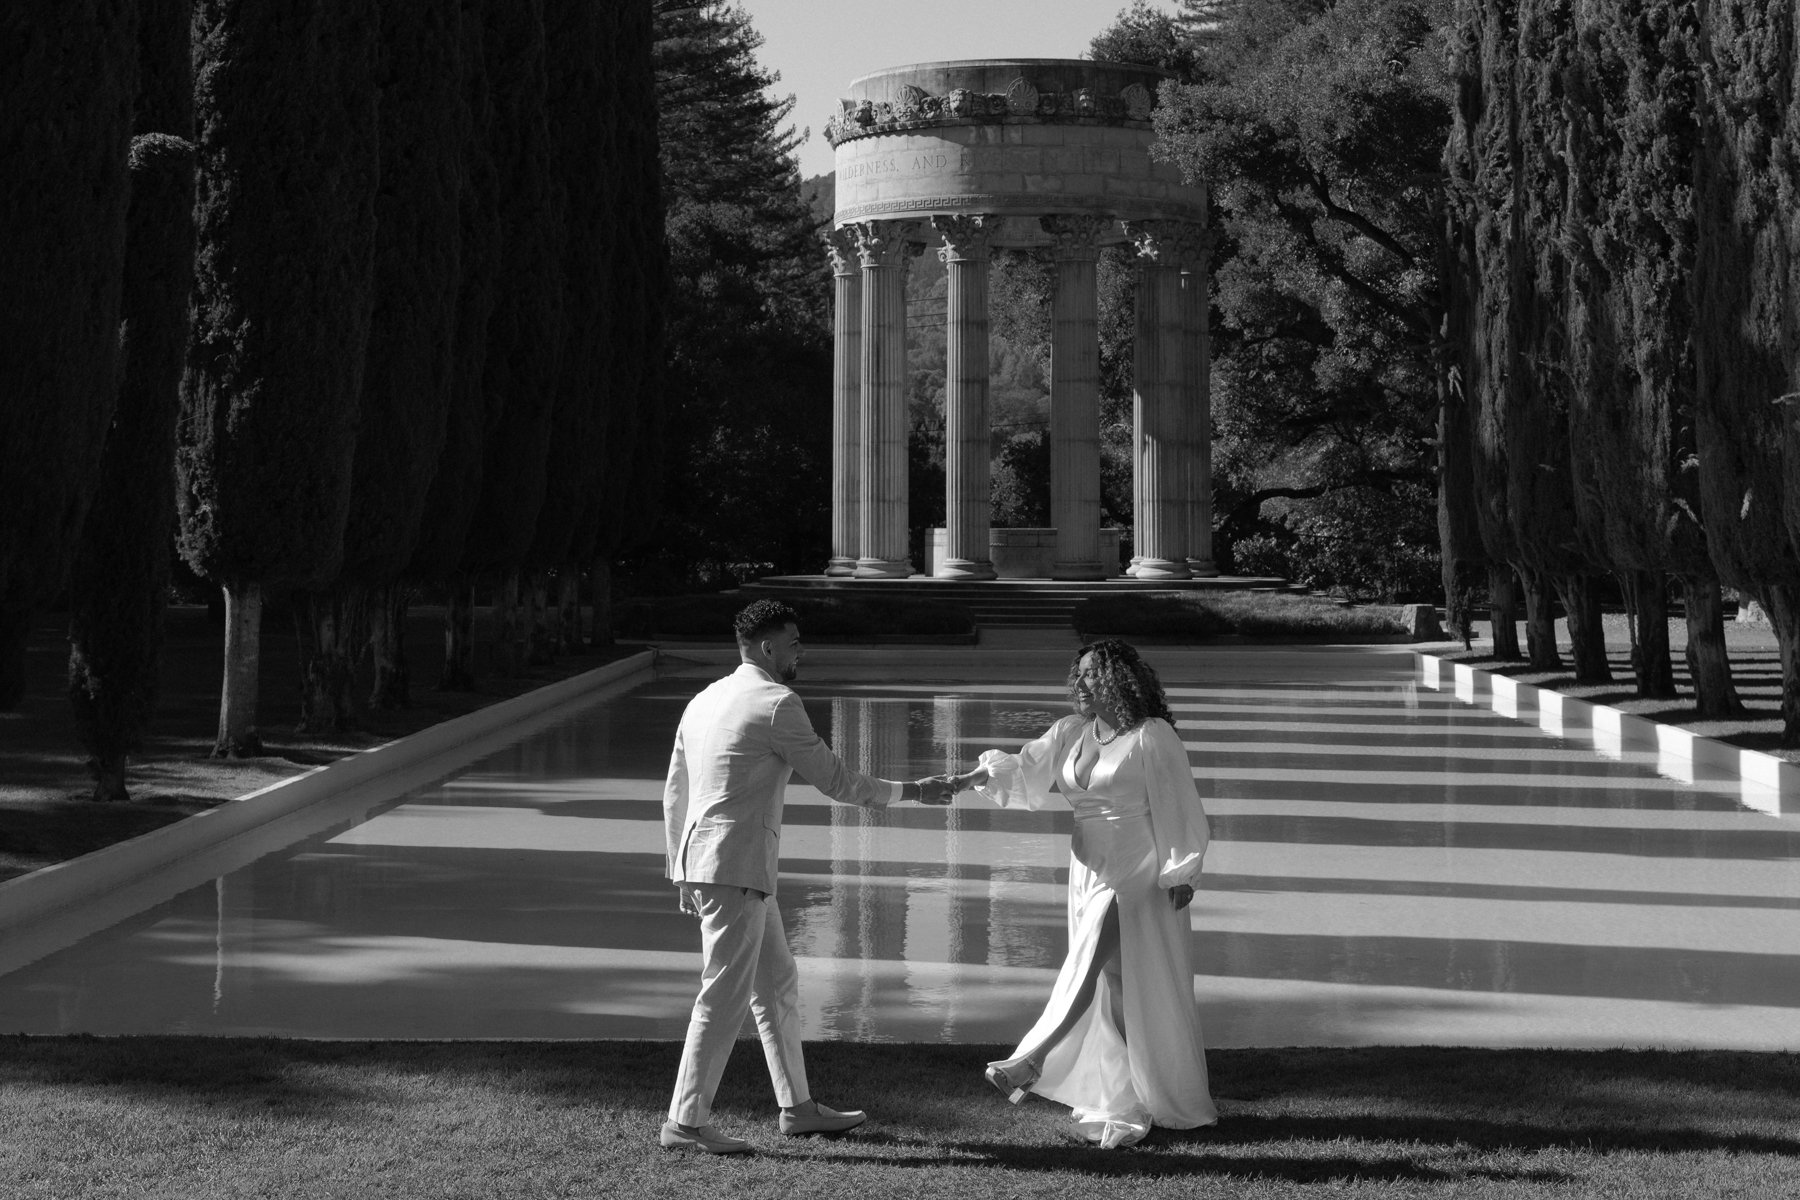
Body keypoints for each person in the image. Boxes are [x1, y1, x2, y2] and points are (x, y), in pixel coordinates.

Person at [661, 598, 955, 1155]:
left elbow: (676, 789)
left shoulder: (704, 698)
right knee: (723, 994)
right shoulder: (776, 703)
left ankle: (797, 1108)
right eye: (795, 641)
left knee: (776, 986)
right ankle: (685, 1121)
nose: (802, 650)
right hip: (735, 866)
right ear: (767, 647)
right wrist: (915, 791)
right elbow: (837, 780)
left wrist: (680, 870)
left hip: (716, 864)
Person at [944, 638, 1216, 1148]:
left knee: (1087, 963)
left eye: (1092, 674)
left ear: (1120, 679)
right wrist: (962, 780)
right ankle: (1142, 1090)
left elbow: (1181, 803)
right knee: (1119, 985)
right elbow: (1025, 770)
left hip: (1138, 868)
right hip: (1087, 869)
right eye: (1079, 674)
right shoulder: (1072, 732)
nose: (1081, 683)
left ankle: (1032, 1058)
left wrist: (1182, 872)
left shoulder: (1151, 735)